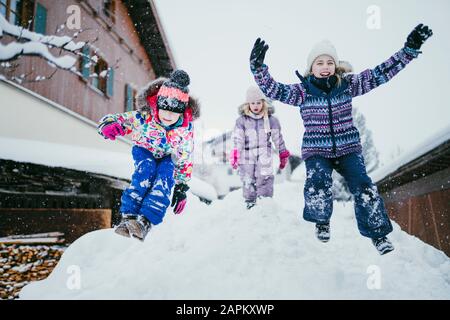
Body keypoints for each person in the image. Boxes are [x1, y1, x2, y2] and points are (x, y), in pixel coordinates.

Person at [248, 24, 432, 254]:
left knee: (364, 186)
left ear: (336, 66)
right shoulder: (302, 91)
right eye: (319, 63)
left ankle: (379, 235)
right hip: (317, 150)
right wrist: (258, 68)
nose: (325, 67)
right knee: (318, 179)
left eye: (329, 63)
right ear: (311, 67)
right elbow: (274, 89)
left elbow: (380, 74)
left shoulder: (347, 85)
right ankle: (321, 220)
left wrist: (409, 50)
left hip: (348, 149)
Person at [97, 70, 200, 241]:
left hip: (168, 157)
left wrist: (182, 186)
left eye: (174, 112)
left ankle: (145, 220)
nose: (168, 116)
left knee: (165, 177)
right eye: (164, 110)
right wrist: (111, 125)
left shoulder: (185, 130)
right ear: (158, 105)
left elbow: (185, 156)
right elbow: (125, 120)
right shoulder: (146, 116)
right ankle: (128, 216)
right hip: (145, 150)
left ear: (181, 112)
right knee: (146, 170)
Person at [230, 86, 290, 209]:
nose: (256, 105)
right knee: (248, 178)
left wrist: (282, 152)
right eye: (252, 103)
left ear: (263, 103)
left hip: (264, 151)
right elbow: (238, 138)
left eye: (258, 102)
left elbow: (277, 138)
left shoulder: (271, 120)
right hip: (247, 152)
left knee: (264, 176)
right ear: (248, 104)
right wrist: (236, 153)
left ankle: (265, 203)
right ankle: (250, 203)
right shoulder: (242, 121)